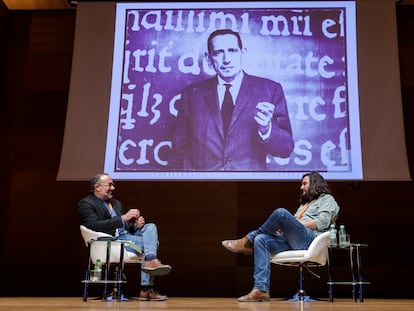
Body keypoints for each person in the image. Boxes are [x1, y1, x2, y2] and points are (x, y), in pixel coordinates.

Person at [169, 28, 294, 171]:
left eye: (232, 51)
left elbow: (286, 149)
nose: (226, 59)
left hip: (247, 187)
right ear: (209, 57)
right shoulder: (191, 94)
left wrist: (267, 129)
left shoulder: (270, 89)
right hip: (204, 188)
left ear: (243, 53)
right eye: (218, 53)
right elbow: (178, 151)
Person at [222, 171, 340, 302]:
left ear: (314, 183)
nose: (301, 187)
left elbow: (323, 222)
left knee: (281, 213)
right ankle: (261, 290)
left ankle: (247, 239)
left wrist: (294, 224)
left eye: (304, 184)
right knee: (261, 240)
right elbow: (295, 226)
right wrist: (286, 228)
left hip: (311, 240)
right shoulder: (304, 205)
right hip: (294, 240)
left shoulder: (327, 199)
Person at [78, 173, 171, 301]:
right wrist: (123, 218)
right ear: (97, 187)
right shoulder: (86, 203)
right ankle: (146, 289)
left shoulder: (116, 203)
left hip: (126, 236)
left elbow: (126, 227)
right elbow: (93, 225)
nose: (113, 188)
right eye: (110, 185)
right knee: (150, 245)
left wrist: (136, 226)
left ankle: (150, 261)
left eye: (113, 185)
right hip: (111, 240)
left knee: (151, 227)